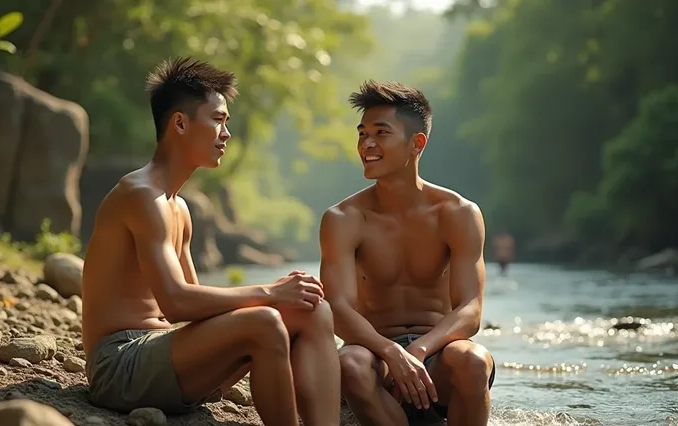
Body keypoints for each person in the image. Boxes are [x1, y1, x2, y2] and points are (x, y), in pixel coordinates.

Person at [81, 57, 340, 426]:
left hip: (166, 361)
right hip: (119, 366)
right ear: (181, 124)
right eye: (218, 120)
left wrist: (287, 300)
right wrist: (270, 293)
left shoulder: (180, 208)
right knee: (265, 322)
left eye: (227, 123)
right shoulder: (140, 196)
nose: (226, 134)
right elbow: (176, 303)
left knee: (314, 309)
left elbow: (197, 302)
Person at [319, 81, 495, 426]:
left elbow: (470, 310)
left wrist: (419, 350)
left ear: (417, 143)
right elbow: (338, 309)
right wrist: (391, 351)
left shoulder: (457, 213)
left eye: (381, 133)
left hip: (438, 359)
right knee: (349, 364)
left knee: (474, 361)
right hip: (376, 359)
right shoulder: (342, 219)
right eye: (362, 133)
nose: (367, 144)